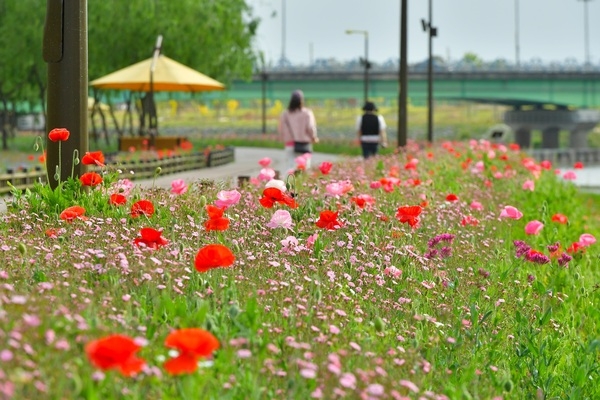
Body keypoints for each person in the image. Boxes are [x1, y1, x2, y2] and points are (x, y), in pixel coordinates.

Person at [278, 90, 318, 171]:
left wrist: (283, 138)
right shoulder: (307, 113)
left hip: (290, 143)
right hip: (304, 144)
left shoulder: (285, 114)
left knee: (290, 166)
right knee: (304, 167)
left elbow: (281, 128)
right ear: (302, 100)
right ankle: (302, 183)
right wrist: (314, 137)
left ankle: (289, 183)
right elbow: (310, 127)